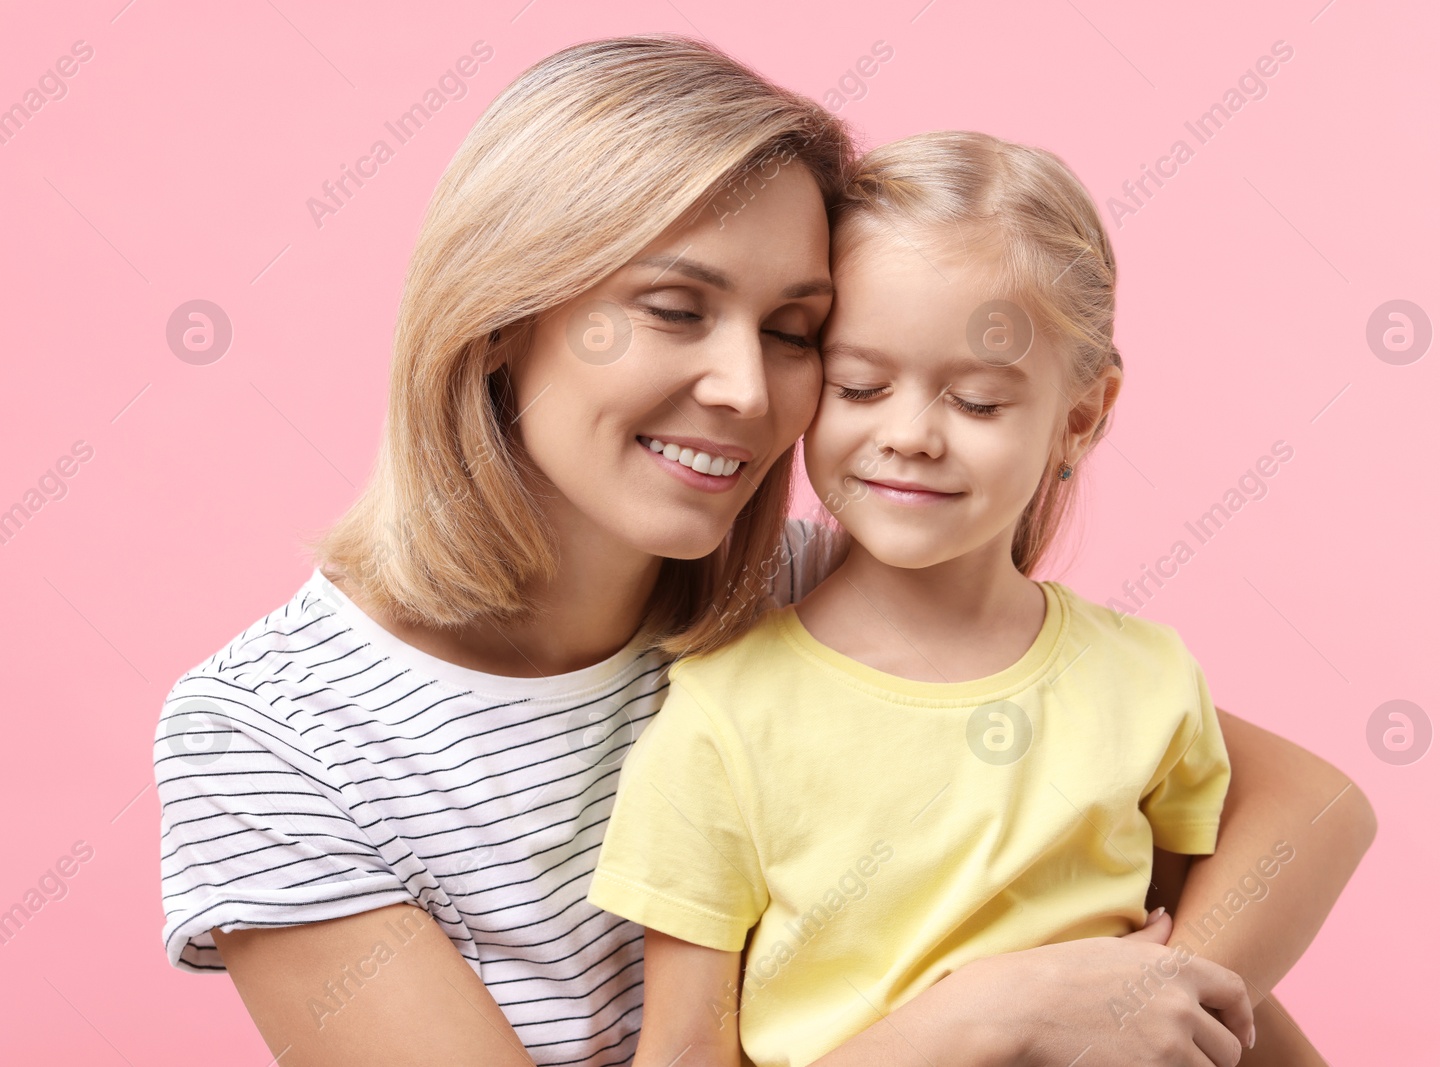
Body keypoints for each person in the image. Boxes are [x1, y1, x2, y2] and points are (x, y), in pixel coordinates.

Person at [154, 36, 1375, 1067]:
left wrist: (1135, 1005)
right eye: (676, 309)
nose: (745, 389)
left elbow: (1301, 807)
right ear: (499, 320)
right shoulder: (266, 736)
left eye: (794, 330)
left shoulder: (819, 595)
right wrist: (984, 1023)